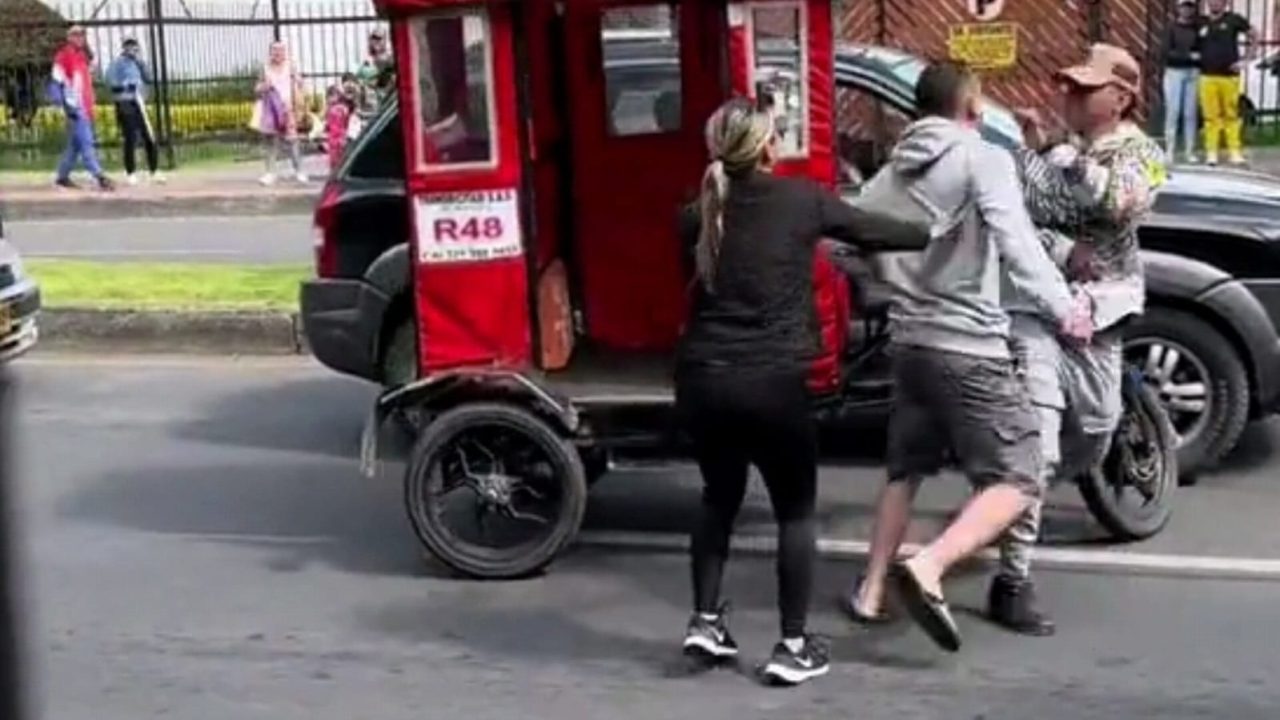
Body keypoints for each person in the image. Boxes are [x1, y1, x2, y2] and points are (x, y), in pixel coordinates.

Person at [841, 61, 1092, 652]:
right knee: (1022, 472)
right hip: (967, 344)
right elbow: (1018, 243)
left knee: (906, 469)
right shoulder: (984, 159)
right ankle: (928, 567)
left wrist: (900, 282)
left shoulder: (892, 171)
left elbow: (854, 239)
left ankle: (871, 591)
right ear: (972, 107)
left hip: (909, 344)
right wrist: (1064, 309)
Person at [676, 98, 874, 686]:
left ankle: (705, 621)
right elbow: (877, 232)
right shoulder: (801, 200)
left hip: (703, 378)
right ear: (767, 148)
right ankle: (792, 645)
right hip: (771, 382)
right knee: (795, 510)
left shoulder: (694, 214)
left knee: (719, 496)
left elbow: (695, 285)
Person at [993, 44, 1166, 635]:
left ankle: (1012, 496)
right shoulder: (1049, 152)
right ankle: (1012, 576)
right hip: (1037, 310)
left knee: (1095, 426)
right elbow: (1018, 219)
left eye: (1081, 88)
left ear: (1119, 97)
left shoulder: (1142, 152)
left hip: (1101, 317)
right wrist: (1064, 249)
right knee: (1037, 448)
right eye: (1066, 85)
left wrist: (1059, 153)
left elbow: (1119, 201)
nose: (1066, 95)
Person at [50, 26, 113, 191]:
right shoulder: (63, 56)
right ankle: (98, 175)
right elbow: (56, 82)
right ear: (69, 37)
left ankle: (62, 176)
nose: (80, 38)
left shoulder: (82, 57)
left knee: (74, 146)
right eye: (76, 35)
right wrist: (61, 103)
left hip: (85, 106)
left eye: (82, 35)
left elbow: (85, 82)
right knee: (86, 142)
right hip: (74, 107)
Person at [1199, 0, 1258, 166]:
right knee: (1210, 116)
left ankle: (1234, 151)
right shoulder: (1201, 22)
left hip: (1229, 76)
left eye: (1218, 1)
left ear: (1224, 3)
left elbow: (1254, 35)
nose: (1214, 3)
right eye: (1211, 1)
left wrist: (1246, 60)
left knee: (1231, 114)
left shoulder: (1234, 19)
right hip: (1207, 76)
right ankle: (1211, 152)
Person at [105, 37, 164, 185]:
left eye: (135, 47)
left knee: (149, 136)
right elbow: (111, 83)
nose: (133, 50)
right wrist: (125, 86)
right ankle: (130, 171)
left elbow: (149, 77)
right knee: (130, 137)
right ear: (124, 48)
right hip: (124, 102)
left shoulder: (138, 63)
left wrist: (141, 63)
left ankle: (154, 170)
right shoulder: (117, 64)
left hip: (139, 102)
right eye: (130, 47)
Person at [253, 41, 307, 186]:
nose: (278, 53)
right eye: (275, 50)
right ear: (270, 52)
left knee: (292, 140)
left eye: (281, 50)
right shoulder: (265, 68)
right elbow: (256, 89)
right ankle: (270, 173)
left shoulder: (290, 67)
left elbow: (300, 83)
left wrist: (299, 82)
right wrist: (264, 86)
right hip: (271, 108)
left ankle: (299, 171)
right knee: (271, 141)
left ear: (285, 52)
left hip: (287, 107)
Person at [1163, 0, 1201, 163]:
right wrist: (1187, 56)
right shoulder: (1171, 28)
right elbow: (1166, 52)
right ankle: (1169, 150)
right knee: (1173, 111)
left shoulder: (1198, 28)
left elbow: (1204, 47)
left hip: (1193, 72)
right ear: (1178, 8)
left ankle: (1189, 150)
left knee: (1190, 113)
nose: (1187, 10)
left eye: (1190, 7)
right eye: (1184, 6)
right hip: (1174, 72)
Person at [355, 29, 394, 117]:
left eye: (379, 38)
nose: (376, 41)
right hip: (369, 101)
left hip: (386, 98)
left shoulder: (389, 59)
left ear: (384, 41)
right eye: (373, 38)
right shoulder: (366, 60)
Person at [324, 75, 357, 171]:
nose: (328, 99)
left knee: (335, 159)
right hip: (339, 137)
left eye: (329, 97)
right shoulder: (343, 108)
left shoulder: (335, 109)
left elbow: (330, 124)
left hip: (336, 138)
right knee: (340, 159)